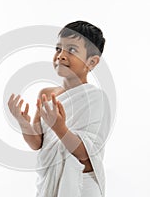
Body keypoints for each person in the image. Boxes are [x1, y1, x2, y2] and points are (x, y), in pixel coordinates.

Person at [8, 21, 111, 197]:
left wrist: (59, 127)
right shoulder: (46, 94)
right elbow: (38, 143)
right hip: (50, 183)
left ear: (92, 62)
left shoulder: (97, 99)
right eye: (58, 49)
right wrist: (24, 124)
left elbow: (86, 154)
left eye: (71, 50)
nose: (61, 56)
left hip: (81, 184)